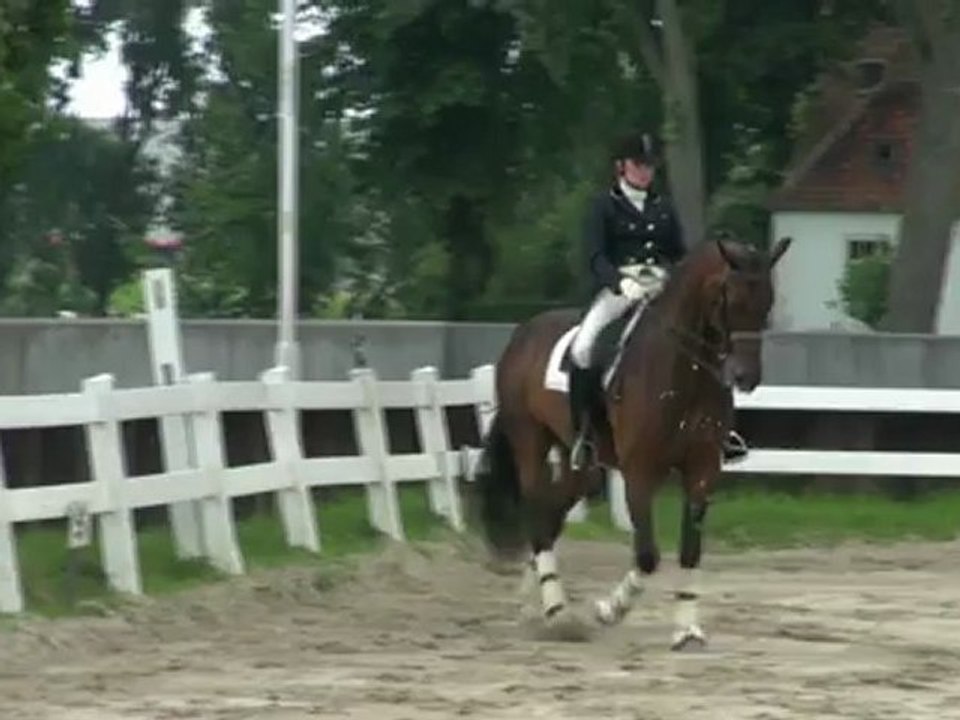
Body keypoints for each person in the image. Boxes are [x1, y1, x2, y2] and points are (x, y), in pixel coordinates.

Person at [567, 130, 748, 470]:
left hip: (662, 290)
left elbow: (679, 254)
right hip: (619, 292)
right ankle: (585, 436)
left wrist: (672, 278)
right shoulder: (603, 206)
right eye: (639, 165)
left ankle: (723, 433)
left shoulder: (663, 207)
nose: (646, 172)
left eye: (650, 166)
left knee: (709, 345)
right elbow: (594, 257)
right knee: (583, 348)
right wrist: (620, 283)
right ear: (622, 167)